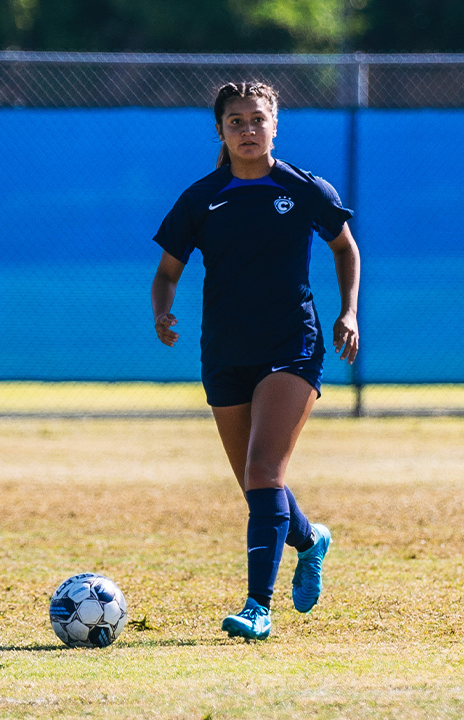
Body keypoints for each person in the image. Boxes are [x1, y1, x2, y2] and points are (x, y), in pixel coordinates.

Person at [150, 81, 361, 641]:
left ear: (275, 125)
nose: (248, 129)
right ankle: (311, 540)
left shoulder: (304, 188)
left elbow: (345, 248)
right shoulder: (202, 197)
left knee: (265, 471)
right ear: (220, 130)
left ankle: (256, 607)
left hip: (292, 342)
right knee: (254, 481)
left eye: (257, 119)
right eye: (236, 121)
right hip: (224, 350)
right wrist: (163, 312)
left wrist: (349, 313)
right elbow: (167, 272)